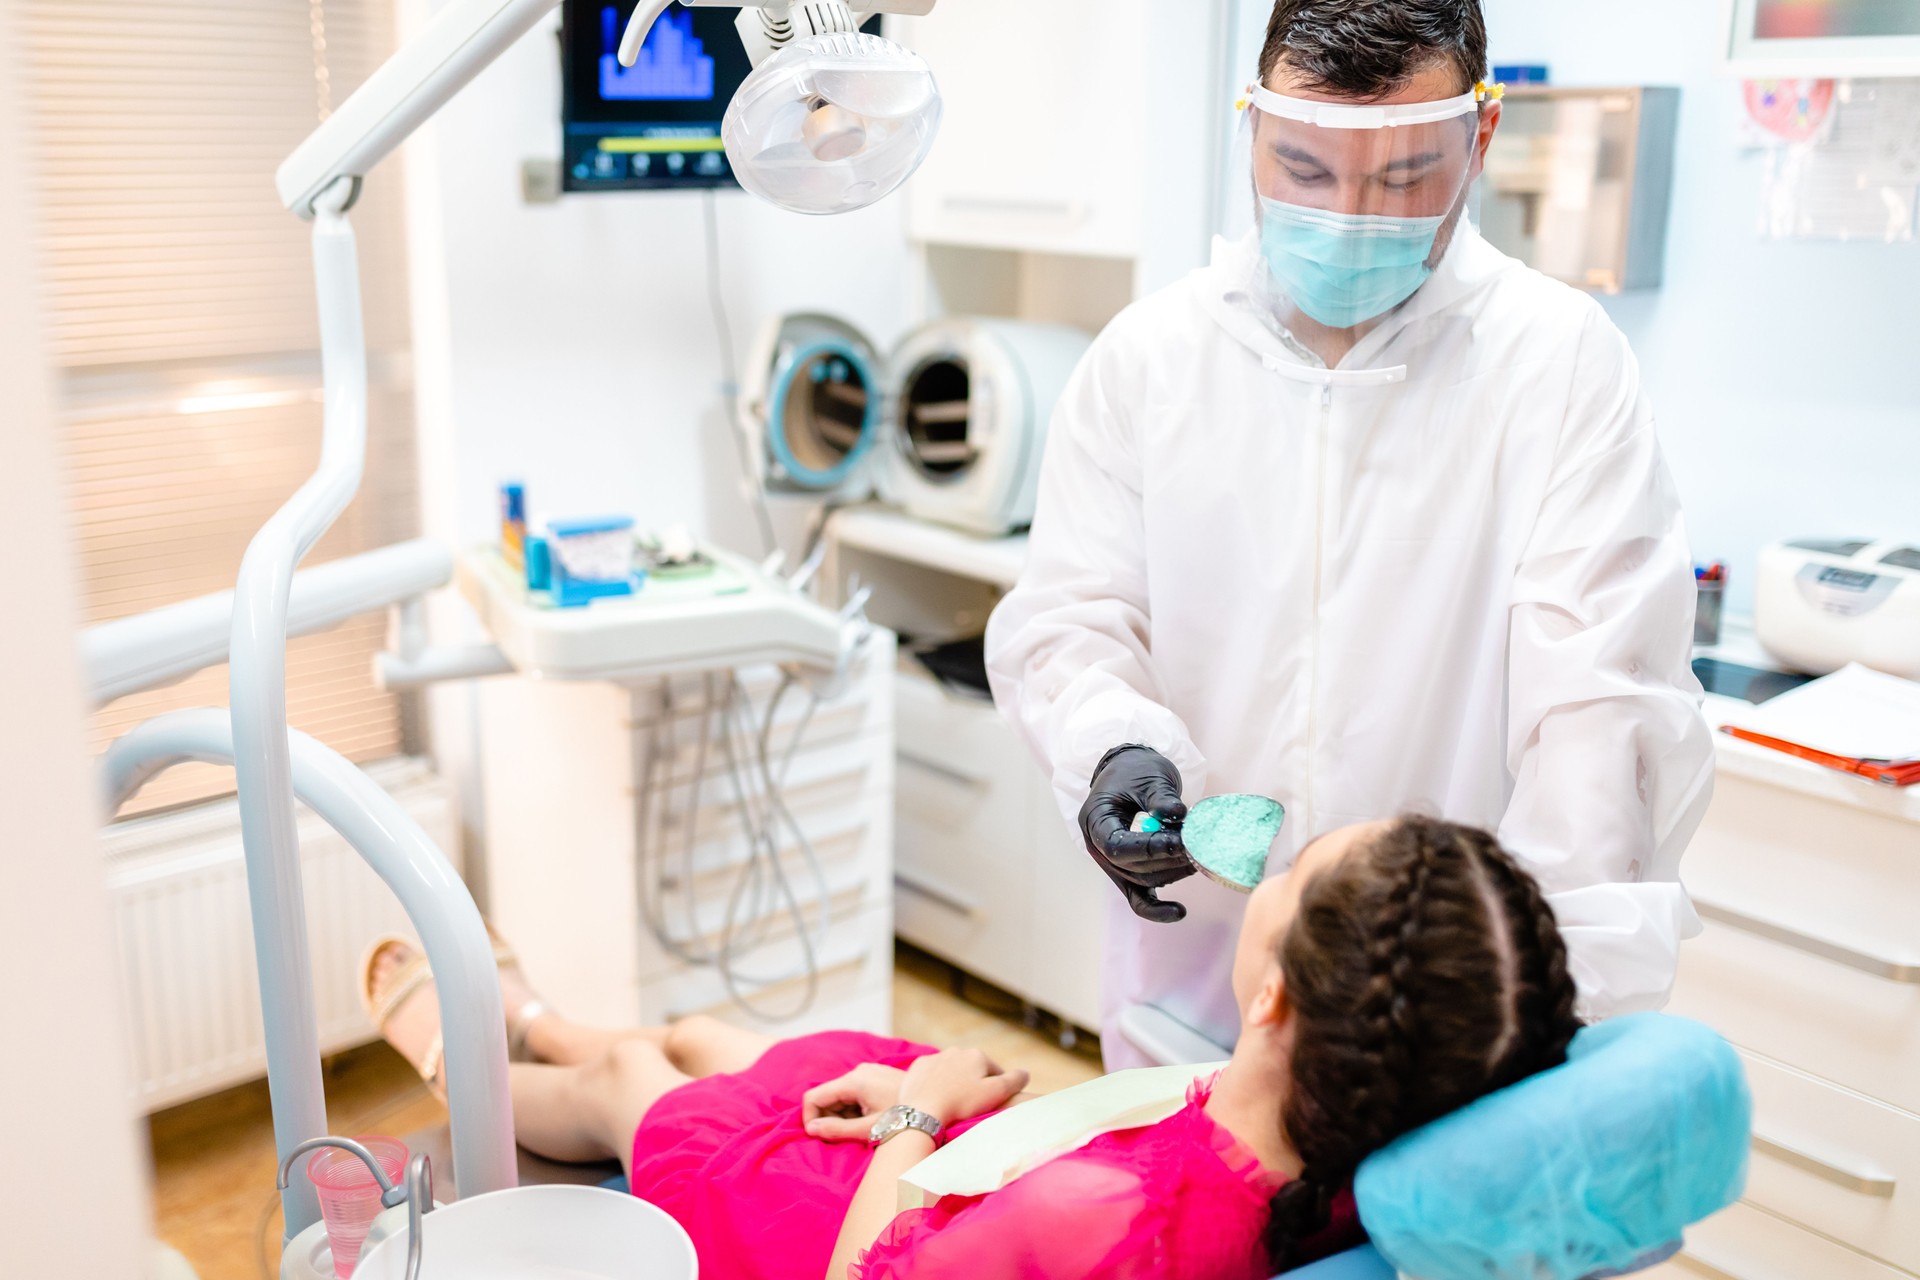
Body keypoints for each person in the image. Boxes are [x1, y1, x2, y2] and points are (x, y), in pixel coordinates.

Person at [984, 0, 1714, 1068]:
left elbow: (1599, 723)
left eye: (1406, 177)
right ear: (1251, 130)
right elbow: (1070, 619)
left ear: (1484, 135)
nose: (1352, 216)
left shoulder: (1558, 367)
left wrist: (1553, 1011)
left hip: (1446, 1014)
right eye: (1308, 170)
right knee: (1200, 1221)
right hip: (1199, 991)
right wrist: (1113, 745)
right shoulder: (1151, 360)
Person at [365, 816, 1580, 1279]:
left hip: (864, 1226)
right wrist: (957, 1104)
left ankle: (463, 1037)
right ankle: (535, 1013)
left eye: (1293, 865)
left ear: (1273, 1001)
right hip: (981, 1168)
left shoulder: (1121, 1218)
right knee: (711, 1034)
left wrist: (917, 1113)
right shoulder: (1351, 1142)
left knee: (646, 1080)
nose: (1270, 858)